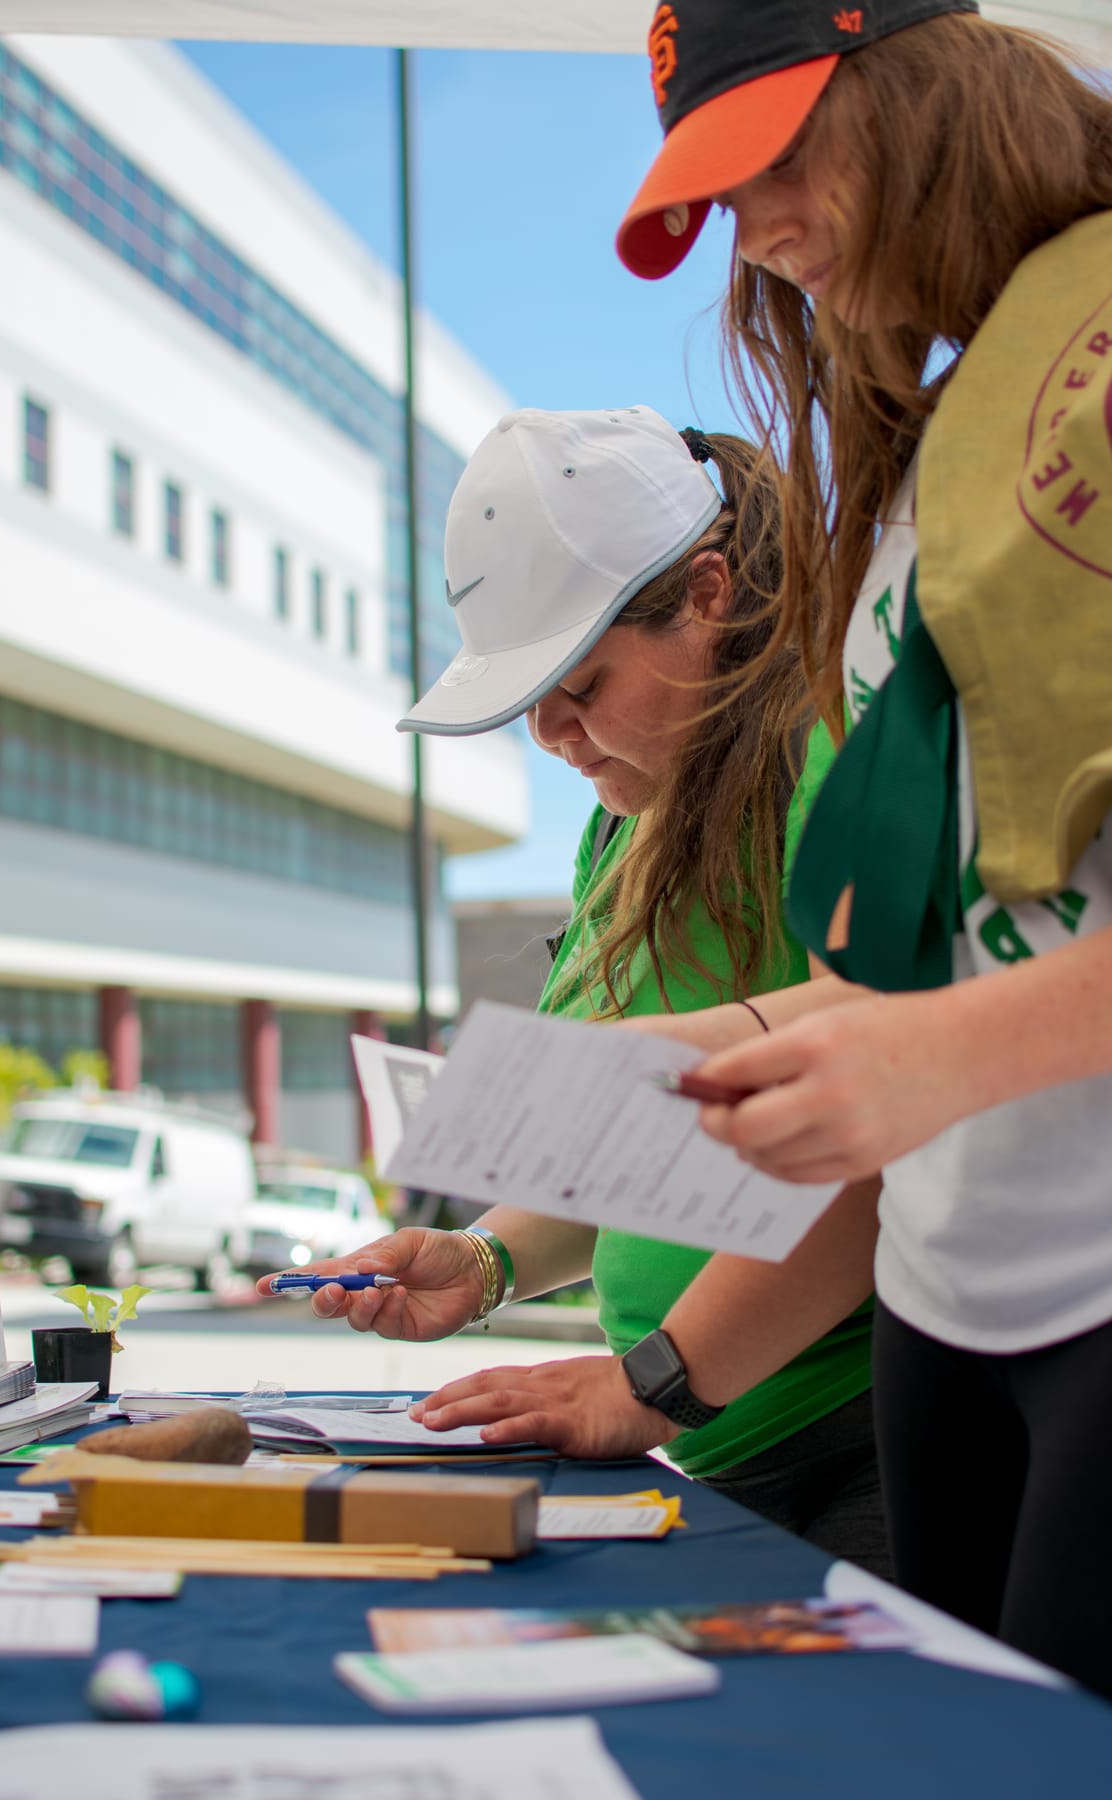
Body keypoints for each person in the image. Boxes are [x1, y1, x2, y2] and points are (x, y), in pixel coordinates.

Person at [615, 0, 1112, 1694]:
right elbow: (910, 966)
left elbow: (941, 1016)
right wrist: (632, 1073)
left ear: (927, 95)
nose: (749, 237)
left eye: (764, 163)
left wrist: (928, 1053)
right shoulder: (917, 473)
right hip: (950, 1300)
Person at [260, 404, 890, 1574]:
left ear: (709, 591)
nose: (551, 732)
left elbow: (872, 1129)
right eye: (527, 699)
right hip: (710, 1436)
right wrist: (488, 1261)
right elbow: (626, 1163)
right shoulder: (626, 822)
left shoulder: (831, 746)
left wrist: (654, 1383)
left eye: (581, 682)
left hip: (857, 1435)